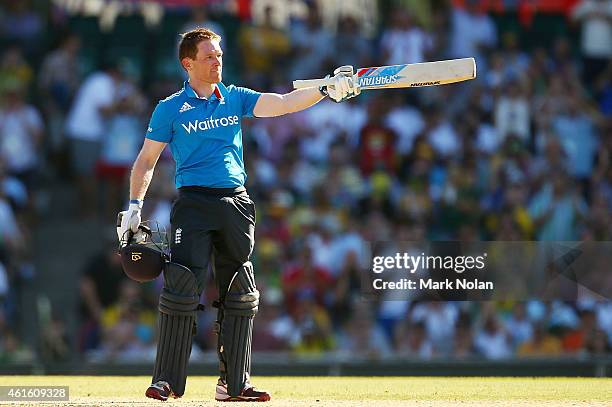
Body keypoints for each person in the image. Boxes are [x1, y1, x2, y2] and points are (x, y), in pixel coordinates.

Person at [116, 28, 359, 402]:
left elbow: (283, 103)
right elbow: (146, 160)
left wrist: (326, 89)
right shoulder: (169, 108)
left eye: (220, 55)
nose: (218, 62)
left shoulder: (235, 97)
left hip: (236, 203)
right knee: (181, 290)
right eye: (209, 57)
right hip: (194, 204)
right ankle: (165, 381)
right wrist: (134, 206)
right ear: (188, 63)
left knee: (241, 294)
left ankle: (234, 384)